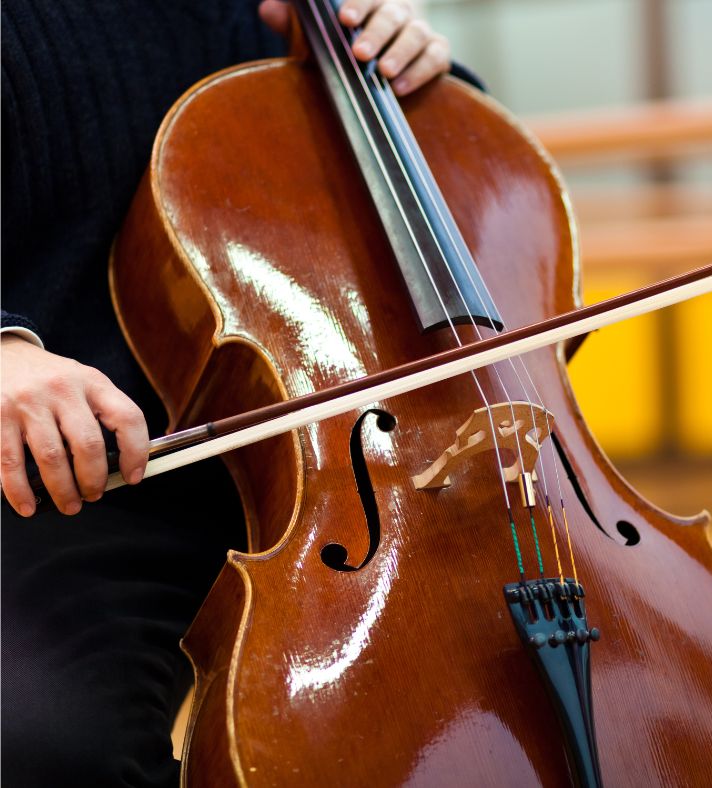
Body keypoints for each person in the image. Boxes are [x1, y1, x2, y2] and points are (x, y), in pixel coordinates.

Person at [1, 1, 455, 784]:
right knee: (42, 744)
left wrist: (411, 69)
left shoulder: (264, 15)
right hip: (88, 480)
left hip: (357, 464)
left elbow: (479, 193)